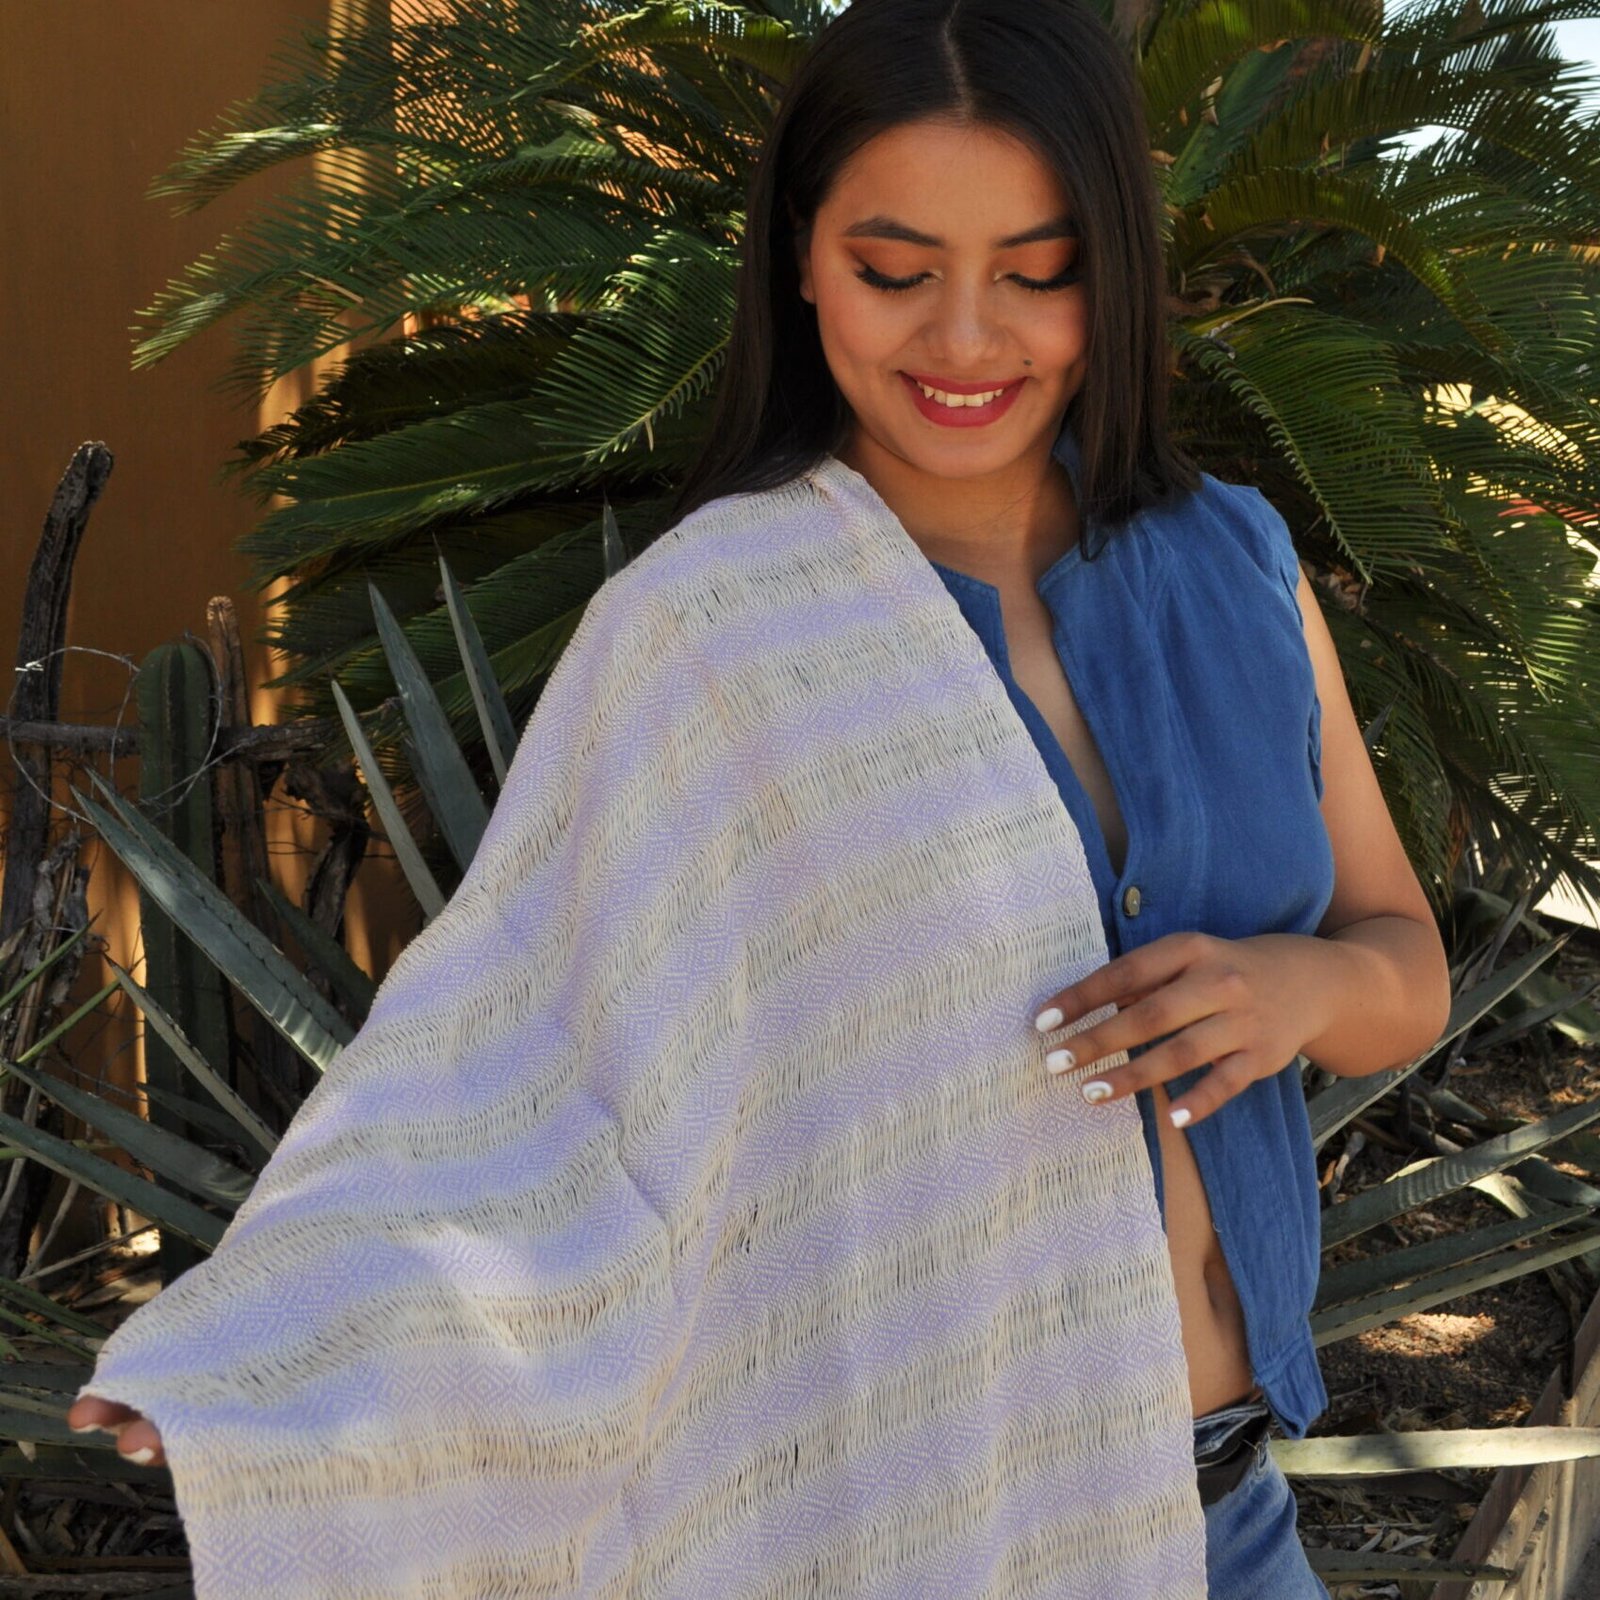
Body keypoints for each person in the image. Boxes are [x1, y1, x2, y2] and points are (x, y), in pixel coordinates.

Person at [71, 1, 1451, 1594]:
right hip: (929, 1539)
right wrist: (265, 1379)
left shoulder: (1237, 566)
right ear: (801, 258)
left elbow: (1404, 960)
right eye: (894, 269)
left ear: (1116, 269)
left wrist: (1299, 991)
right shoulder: (708, 634)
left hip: (1236, 1520)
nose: (965, 338)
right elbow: (517, 1082)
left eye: (1038, 269)